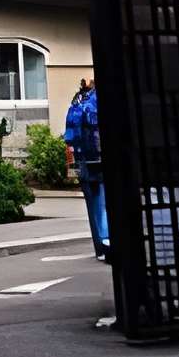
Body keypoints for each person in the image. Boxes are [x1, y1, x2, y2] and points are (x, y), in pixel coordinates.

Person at [63, 77, 109, 260]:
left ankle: (100, 246)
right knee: (104, 203)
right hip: (100, 159)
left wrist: (71, 169)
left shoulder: (78, 101)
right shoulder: (98, 100)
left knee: (93, 204)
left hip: (83, 160)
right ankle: (107, 243)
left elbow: (69, 138)